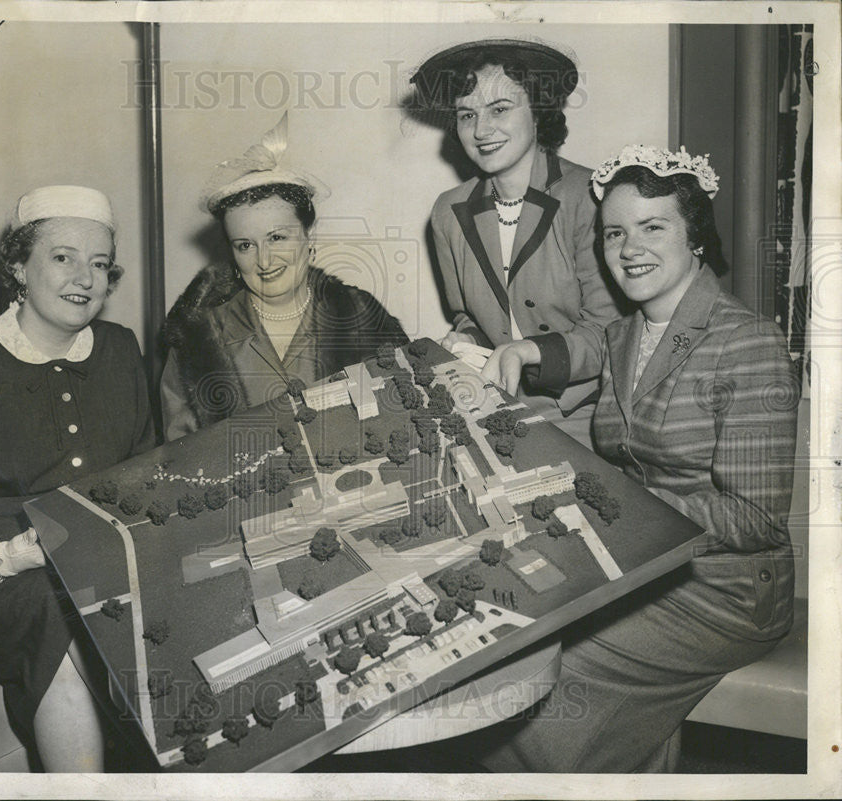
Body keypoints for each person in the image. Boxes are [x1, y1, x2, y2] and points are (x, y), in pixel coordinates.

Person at [454, 145, 799, 772]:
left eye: (653, 227)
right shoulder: (622, 335)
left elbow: (756, 521)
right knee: (504, 636)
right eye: (615, 232)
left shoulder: (748, 342)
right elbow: (601, 413)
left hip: (728, 589)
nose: (629, 247)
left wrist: (617, 501)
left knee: (537, 693)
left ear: (695, 236)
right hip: (645, 568)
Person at [0, 186, 156, 772]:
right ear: (18, 265)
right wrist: (6, 556)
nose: (85, 278)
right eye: (63, 257)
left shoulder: (120, 349)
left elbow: (143, 470)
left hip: (92, 564)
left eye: (99, 264)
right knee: (57, 607)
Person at [411, 38, 623, 446]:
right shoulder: (448, 211)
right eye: (466, 114)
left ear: (539, 112)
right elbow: (470, 317)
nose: (481, 130)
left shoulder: (591, 197)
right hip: (492, 403)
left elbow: (609, 336)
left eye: (500, 110)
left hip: (585, 412)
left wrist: (529, 351)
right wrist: (466, 341)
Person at [161, 113, 409, 441]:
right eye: (245, 245)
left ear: (309, 239)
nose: (263, 260)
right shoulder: (198, 340)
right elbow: (183, 458)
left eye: (277, 238)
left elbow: (404, 415)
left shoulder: (362, 318)